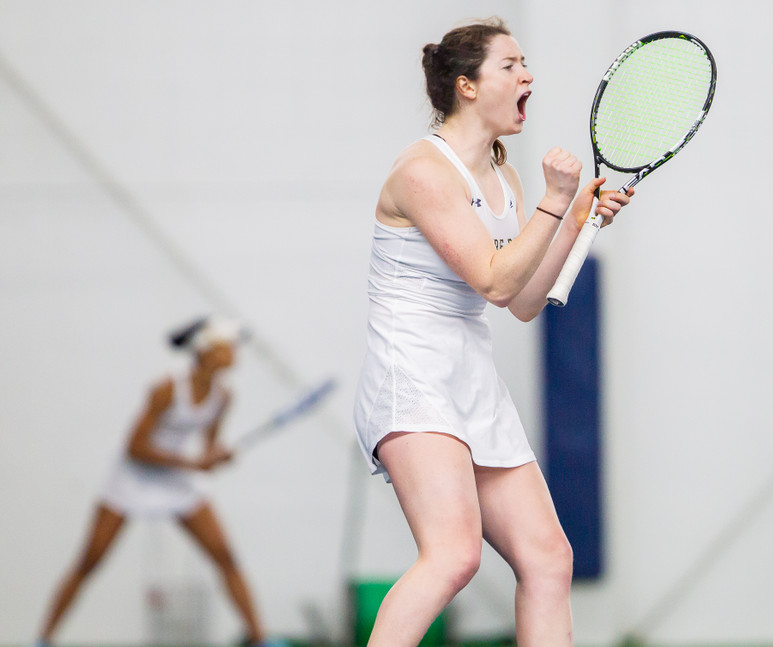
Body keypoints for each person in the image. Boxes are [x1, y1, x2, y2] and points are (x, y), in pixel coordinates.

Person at [351, 17, 632, 647]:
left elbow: (524, 303)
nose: (527, 75)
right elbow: (495, 281)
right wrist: (557, 204)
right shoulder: (423, 172)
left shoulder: (505, 179)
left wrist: (576, 223)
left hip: (470, 377)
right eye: (510, 65)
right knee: (453, 555)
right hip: (413, 377)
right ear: (467, 86)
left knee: (548, 559)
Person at [33, 316, 282, 647]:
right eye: (228, 347)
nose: (235, 353)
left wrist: (216, 457)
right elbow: (134, 447)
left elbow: (207, 452)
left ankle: (259, 638)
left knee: (225, 556)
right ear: (205, 351)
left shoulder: (223, 397)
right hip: (130, 480)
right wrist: (193, 462)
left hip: (177, 482)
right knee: (90, 559)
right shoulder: (166, 390)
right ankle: (42, 640)